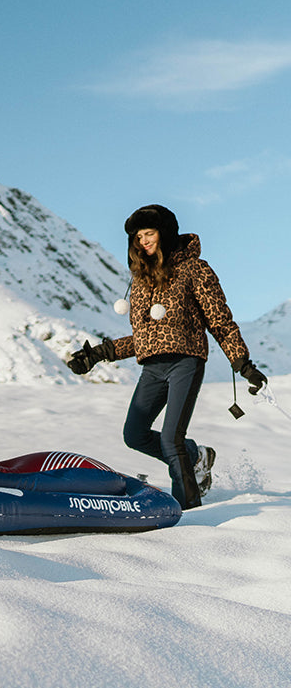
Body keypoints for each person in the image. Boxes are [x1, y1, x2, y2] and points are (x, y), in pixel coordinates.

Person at [66, 204, 266, 509]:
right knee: (134, 435)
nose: (144, 240)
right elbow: (144, 337)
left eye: (150, 233)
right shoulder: (141, 280)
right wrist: (98, 354)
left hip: (185, 361)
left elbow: (220, 321)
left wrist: (243, 364)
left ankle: (187, 511)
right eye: (138, 236)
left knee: (171, 439)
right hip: (152, 368)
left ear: (165, 233)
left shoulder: (194, 269)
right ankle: (198, 456)